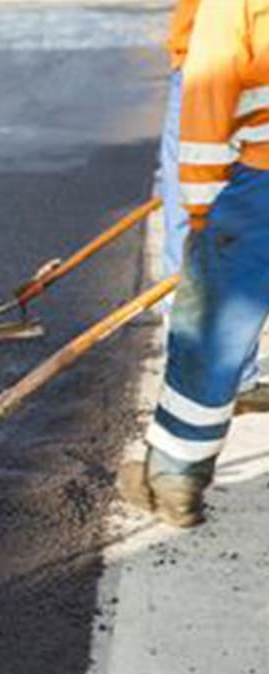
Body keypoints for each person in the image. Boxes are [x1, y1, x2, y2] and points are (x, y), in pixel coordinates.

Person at [122, 0, 269, 527]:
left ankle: (174, 477)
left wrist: (203, 214)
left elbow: (209, 96)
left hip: (261, 182)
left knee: (210, 327)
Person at [161, 0, 268, 413]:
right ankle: (199, 379)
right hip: (217, 64)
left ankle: (219, 375)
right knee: (198, 219)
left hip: (235, 60)